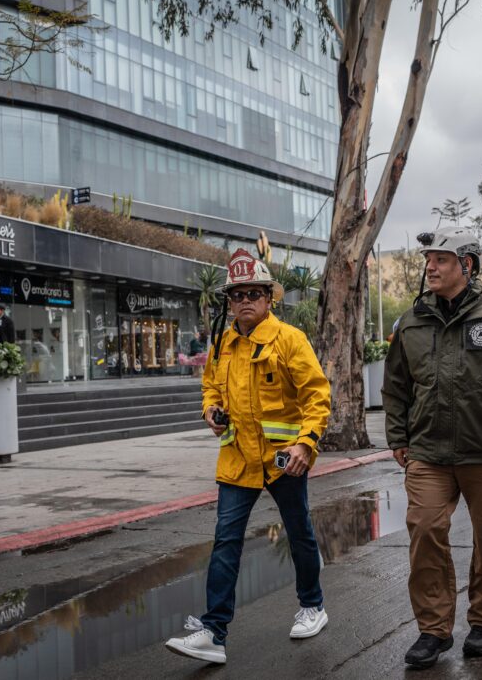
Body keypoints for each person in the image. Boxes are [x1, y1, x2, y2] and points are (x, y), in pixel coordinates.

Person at [383, 227, 482, 668]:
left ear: (466, 266)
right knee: (425, 534)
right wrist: (398, 437)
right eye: (428, 260)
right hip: (428, 454)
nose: (430, 267)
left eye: (441, 260)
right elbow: (395, 387)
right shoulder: (411, 321)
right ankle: (433, 631)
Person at [164, 249, 331, 665]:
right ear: (229, 301)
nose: (245, 301)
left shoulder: (289, 340)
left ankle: (313, 606)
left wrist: (305, 444)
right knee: (225, 543)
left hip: (283, 462)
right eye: (237, 295)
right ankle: (213, 633)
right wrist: (210, 411)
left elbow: (317, 395)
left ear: (269, 298)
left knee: (300, 534)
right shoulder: (222, 343)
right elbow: (210, 388)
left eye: (253, 293)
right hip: (237, 461)